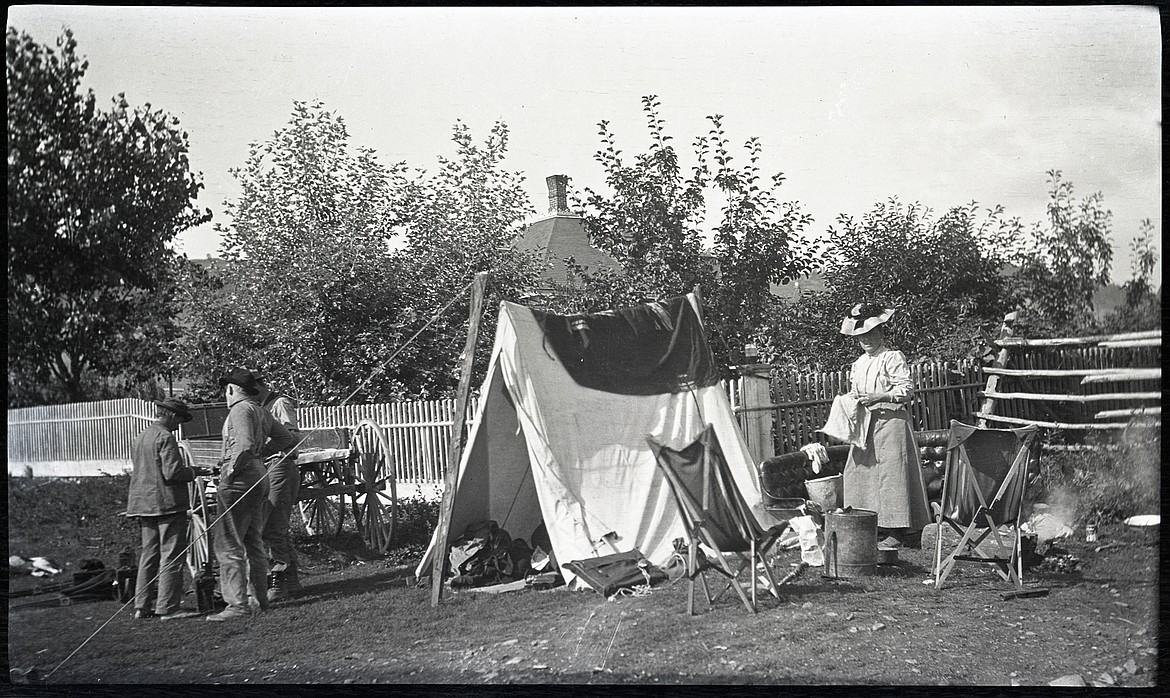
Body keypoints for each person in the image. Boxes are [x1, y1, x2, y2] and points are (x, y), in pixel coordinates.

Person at [838, 304, 931, 549]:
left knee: (892, 476)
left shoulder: (892, 357)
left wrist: (879, 397)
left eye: (871, 334)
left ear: (881, 333)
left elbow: (905, 390)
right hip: (866, 424)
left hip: (891, 422)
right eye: (861, 336)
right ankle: (871, 525)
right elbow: (855, 391)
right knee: (860, 473)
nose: (867, 340)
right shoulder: (858, 363)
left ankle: (898, 531)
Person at [208, 367, 295, 621]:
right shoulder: (261, 410)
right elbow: (286, 439)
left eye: (226, 390)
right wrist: (261, 455)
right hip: (260, 475)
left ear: (232, 389)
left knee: (227, 543)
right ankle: (260, 598)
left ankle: (237, 604)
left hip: (240, 478)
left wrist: (232, 469)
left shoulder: (239, 409)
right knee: (253, 540)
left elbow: (244, 444)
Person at [126, 397, 204, 619]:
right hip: (166, 503)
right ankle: (168, 608)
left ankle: (141, 606)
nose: (180, 425)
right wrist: (194, 472)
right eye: (180, 419)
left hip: (143, 503)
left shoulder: (142, 436)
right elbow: (172, 474)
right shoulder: (165, 437)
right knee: (171, 554)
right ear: (170, 415)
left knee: (148, 554)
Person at [251, 369, 303, 602]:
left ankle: (279, 584)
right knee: (276, 527)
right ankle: (291, 581)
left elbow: (290, 439)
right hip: (269, 467)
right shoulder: (260, 407)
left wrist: (260, 450)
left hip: (280, 465)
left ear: (259, 386)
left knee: (272, 527)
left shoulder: (279, 403)